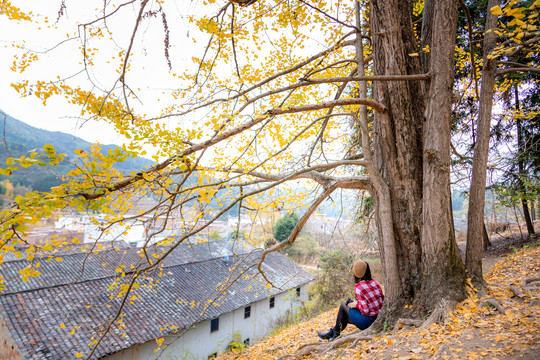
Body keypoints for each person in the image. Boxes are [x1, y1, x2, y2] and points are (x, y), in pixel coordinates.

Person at [317, 260, 384, 341]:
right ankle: (334, 333)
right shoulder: (375, 283)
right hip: (379, 317)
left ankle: (334, 333)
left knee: (343, 306)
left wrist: (356, 305)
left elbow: (366, 310)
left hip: (368, 321)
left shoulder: (359, 288)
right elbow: (380, 300)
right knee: (345, 314)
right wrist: (355, 304)